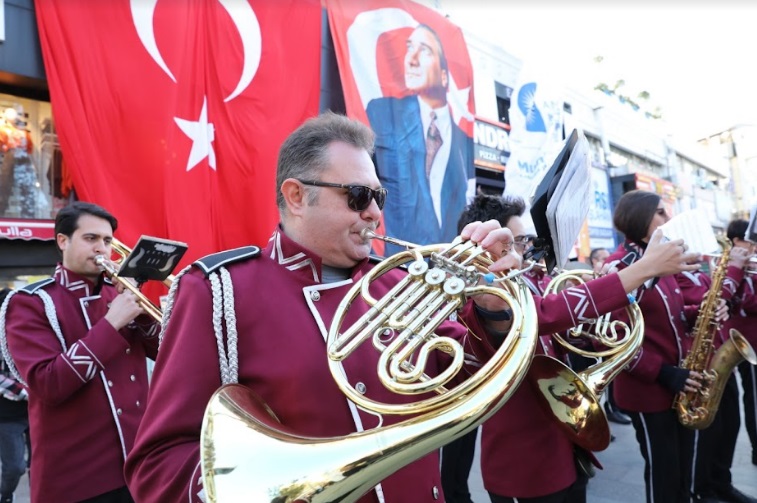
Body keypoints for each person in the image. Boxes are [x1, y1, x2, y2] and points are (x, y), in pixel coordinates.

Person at [123, 113, 697, 503]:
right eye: (357, 197)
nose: (375, 213)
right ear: (296, 196)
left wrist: (491, 300)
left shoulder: (390, 280)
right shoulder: (221, 290)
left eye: (378, 196)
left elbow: (467, 374)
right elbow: (157, 465)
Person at [0, 202, 160, 502]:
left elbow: (166, 354)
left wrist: (143, 314)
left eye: (107, 240)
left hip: (138, 464)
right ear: (63, 240)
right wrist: (112, 324)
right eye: (91, 239)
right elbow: (49, 384)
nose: (102, 248)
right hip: (78, 475)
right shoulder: (32, 302)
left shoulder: (120, 294)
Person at [606, 189, 720, 503]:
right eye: (660, 212)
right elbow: (614, 339)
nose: (668, 218)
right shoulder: (621, 267)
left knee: (683, 469)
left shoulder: (662, 261)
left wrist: (703, 314)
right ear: (641, 219)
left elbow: (673, 312)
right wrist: (664, 373)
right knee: (664, 474)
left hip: (679, 383)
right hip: (648, 390)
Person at [367, 24, 474, 255]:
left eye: (424, 50)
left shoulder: (463, 142)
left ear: (444, 77)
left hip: (447, 268)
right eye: (409, 48)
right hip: (398, 269)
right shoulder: (381, 113)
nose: (410, 60)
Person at [676, 235, 755, 503]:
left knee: (730, 425)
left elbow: (729, 300)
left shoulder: (701, 272)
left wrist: (739, 271)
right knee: (707, 431)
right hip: (700, 363)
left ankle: (722, 482)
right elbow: (713, 300)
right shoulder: (677, 276)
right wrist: (734, 266)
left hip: (720, 358)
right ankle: (701, 490)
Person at [725, 219, 757, 469]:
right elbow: (745, 302)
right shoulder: (728, 266)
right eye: (751, 241)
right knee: (754, 399)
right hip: (748, 343)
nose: (754, 247)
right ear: (736, 241)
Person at [0, 288, 28, 503]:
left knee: (42, 465)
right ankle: (5, 496)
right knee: (15, 467)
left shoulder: (27, 330)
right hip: (7, 416)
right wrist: (25, 391)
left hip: (36, 410)